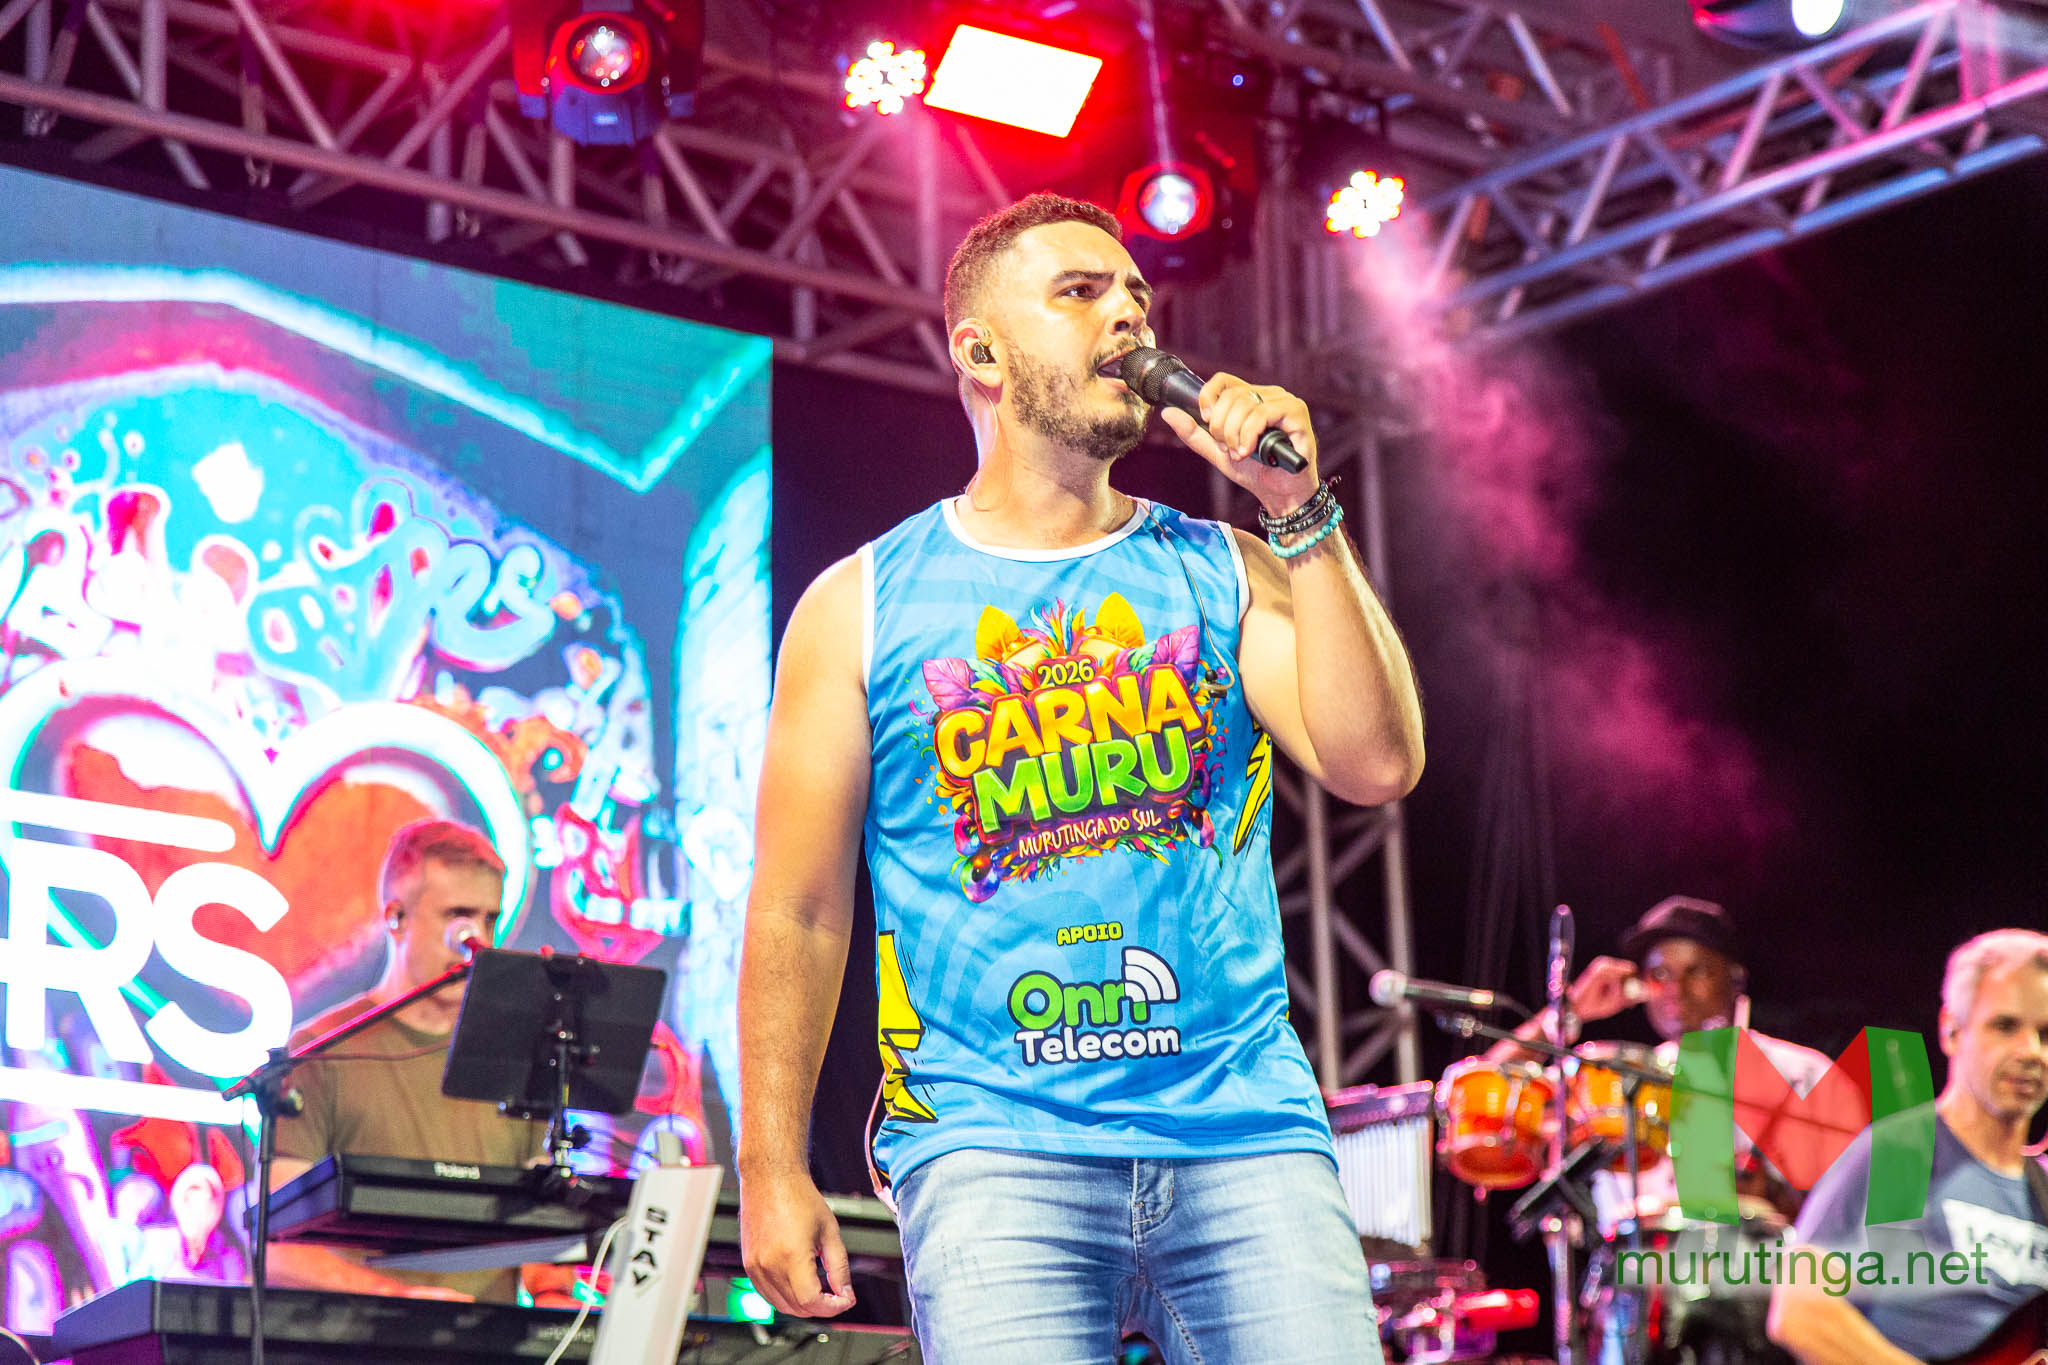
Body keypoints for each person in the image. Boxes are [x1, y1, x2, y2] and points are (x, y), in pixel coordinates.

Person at [736, 192, 1425, 1362]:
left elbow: (1375, 764)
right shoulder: (860, 605)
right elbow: (796, 908)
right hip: (988, 1146)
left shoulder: (1225, 567)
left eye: (1135, 296)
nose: (1127, 317)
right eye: (1079, 292)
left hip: (1241, 1131)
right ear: (981, 354)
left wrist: (1296, 509)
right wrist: (769, 1168)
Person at [268, 819, 542, 1303]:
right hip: (363, 1335)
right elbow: (277, 1248)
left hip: (492, 1339)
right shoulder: (320, 1050)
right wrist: (396, 1297)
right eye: (457, 917)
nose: (477, 940)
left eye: (489, 921)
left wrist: (560, 1304)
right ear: (395, 918)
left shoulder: (520, 1058)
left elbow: (545, 1239)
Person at [1767, 929, 2048, 1365]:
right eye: (2005, 1026)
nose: (2031, 1051)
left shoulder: (2041, 1191)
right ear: (1952, 1030)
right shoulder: (1903, 1155)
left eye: (2046, 1034)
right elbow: (1801, 1313)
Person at [1487, 895, 1833, 1230]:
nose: (1675, 989)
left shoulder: (1799, 1072)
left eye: (1696, 971)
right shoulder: (1618, 1076)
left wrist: (1776, 1199)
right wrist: (1569, 1010)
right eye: (1660, 974)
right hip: (1636, 1266)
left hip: (1764, 1266)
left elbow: (1850, 1206)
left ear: (1735, 979)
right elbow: (1484, 1097)